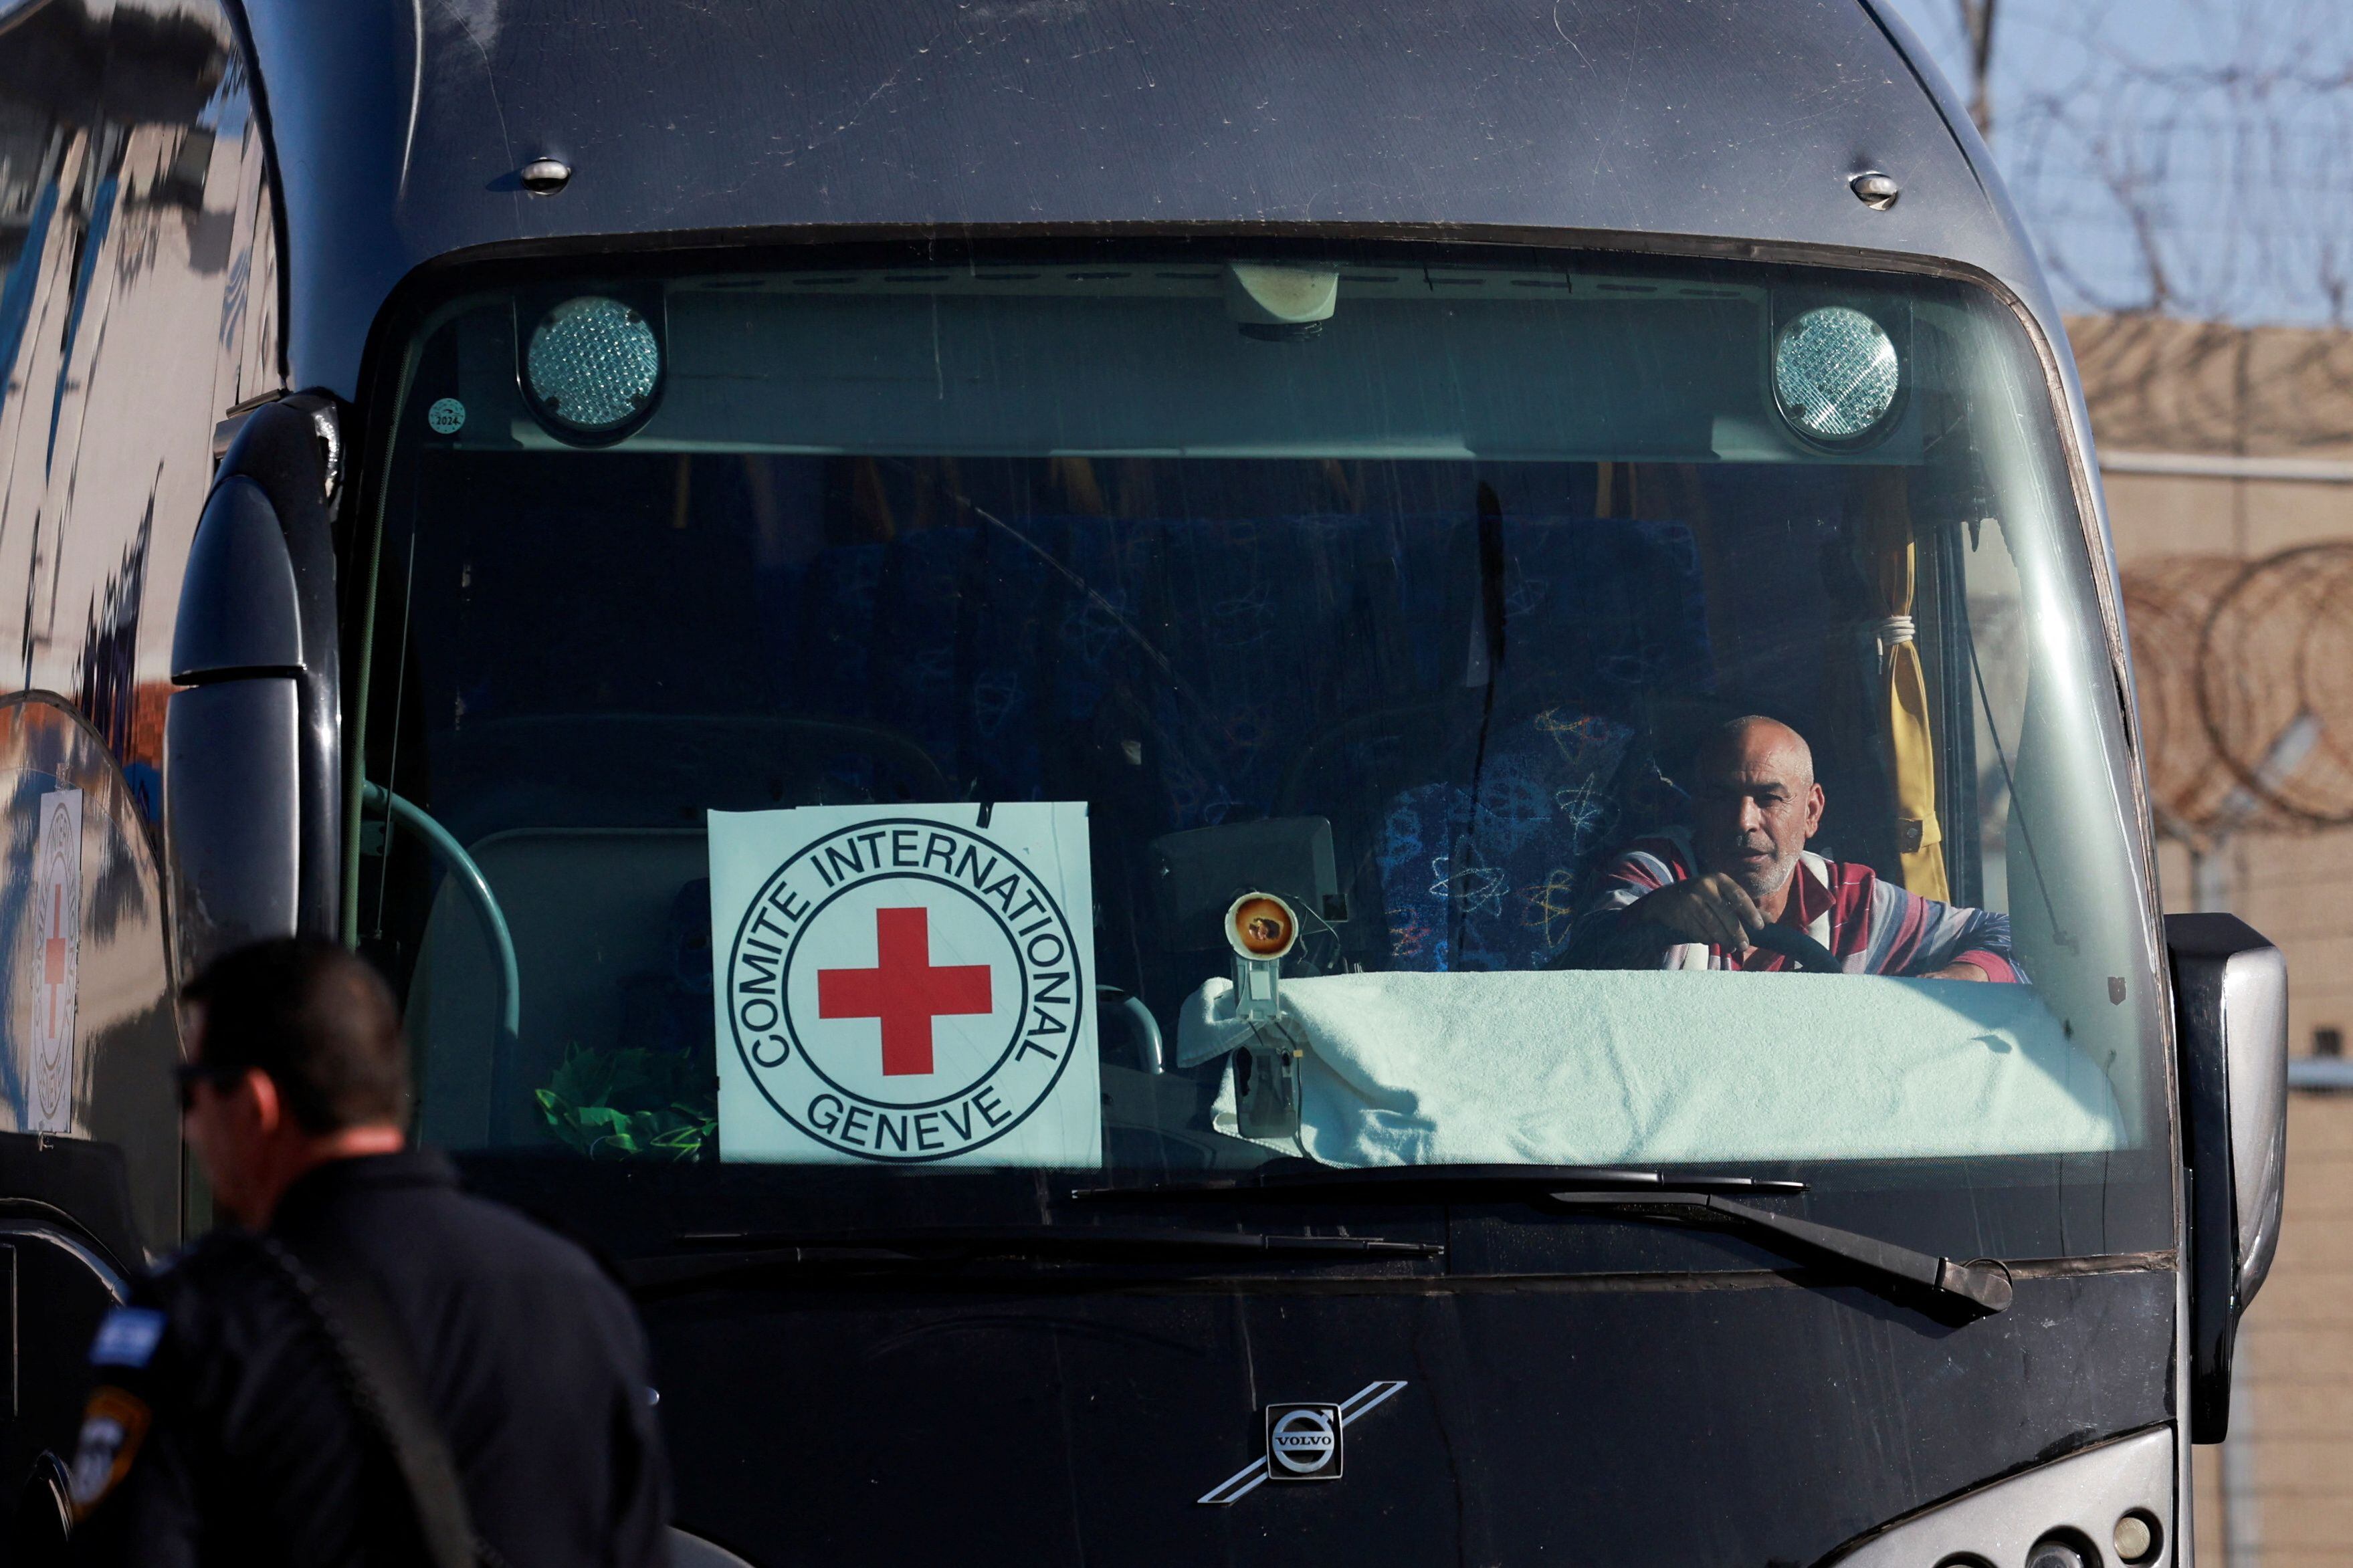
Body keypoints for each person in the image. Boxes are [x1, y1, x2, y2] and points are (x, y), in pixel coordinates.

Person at [64, 937, 672, 1567]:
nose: (188, 1125)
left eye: (190, 1092)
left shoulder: (199, 1318)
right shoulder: (583, 1297)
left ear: (254, 1104)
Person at [1562, 715, 2020, 980]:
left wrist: (1954, 981)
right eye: (1723, 797)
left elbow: (2015, 939)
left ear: (1812, 812)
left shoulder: (1853, 901)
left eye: (1769, 798)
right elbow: (1578, 973)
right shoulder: (1655, 874)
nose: (1744, 821)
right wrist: (1651, 921)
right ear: (1697, 806)